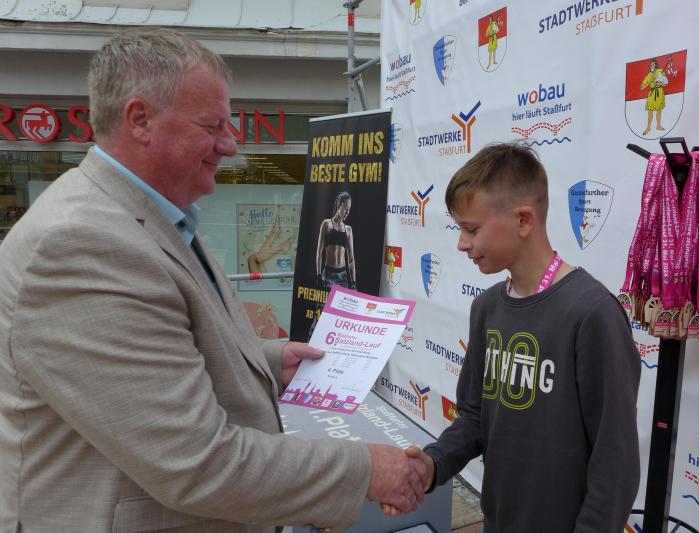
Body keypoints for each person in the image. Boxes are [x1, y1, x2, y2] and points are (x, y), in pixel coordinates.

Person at [0, 28, 428, 533]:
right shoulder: (82, 243)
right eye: (213, 125)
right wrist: (367, 470)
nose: (230, 143)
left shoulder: (155, 216)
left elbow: (164, 348)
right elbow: (196, 462)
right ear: (140, 120)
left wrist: (267, 362)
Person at [388, 142, 641, 531]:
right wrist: (433, 463)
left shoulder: (592, 314)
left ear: (523, 220)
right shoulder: (487, 308)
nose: (461, 243)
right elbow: (474, 417)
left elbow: (615, 460)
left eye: (472, 229)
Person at [316, 191, 356, 291]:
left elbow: (351, 259)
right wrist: (318, 275)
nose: (347, 212)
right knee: (325, 301)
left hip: (343, 277)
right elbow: (319, 253)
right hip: (328, 274)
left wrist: (353, 282)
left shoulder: (348, 230)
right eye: (346, 208)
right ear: (339, 205)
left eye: (349, 209)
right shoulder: (326, 224)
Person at [640, 58, 668, 135]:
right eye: (650, 65)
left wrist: (660, 83)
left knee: (659, 110)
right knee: (650, 111)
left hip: (659, 92)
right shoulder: (649, 75)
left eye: (653, 64)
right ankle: (648, 127)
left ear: (656, 65)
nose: (651, 66)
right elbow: (641, 87)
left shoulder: (660, 71)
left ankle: (658, 126)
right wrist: (649, 82)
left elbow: (666, 83)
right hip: (651, 94)